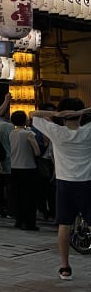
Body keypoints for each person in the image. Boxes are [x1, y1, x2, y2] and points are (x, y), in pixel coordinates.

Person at [31, 98, 91, 280]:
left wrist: (55, 114)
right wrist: (82, 112)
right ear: (80, 115)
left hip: (64, 183)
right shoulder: (88, 131)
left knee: (64, 226)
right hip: (87, 182)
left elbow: (32, 114)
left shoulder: (56, 131)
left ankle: (65, 268)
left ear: (63, 117)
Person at [9, 109, 41, 231]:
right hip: (28, 167)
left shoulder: (12, 133)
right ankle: (29, 223)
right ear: (25, 120)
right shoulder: (29, 134)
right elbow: (37, 151)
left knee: (17, 196)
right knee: (29, 197)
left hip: (14, 167)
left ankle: (19, 220)